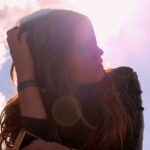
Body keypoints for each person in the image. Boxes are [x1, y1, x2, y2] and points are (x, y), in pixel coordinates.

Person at [0, 9, 144, 150]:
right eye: (84, 48)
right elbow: (35, 144)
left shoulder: (123, 83)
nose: (99, 52)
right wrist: (26, 74)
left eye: (94, 42)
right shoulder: (18, 112)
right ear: (53, 67)